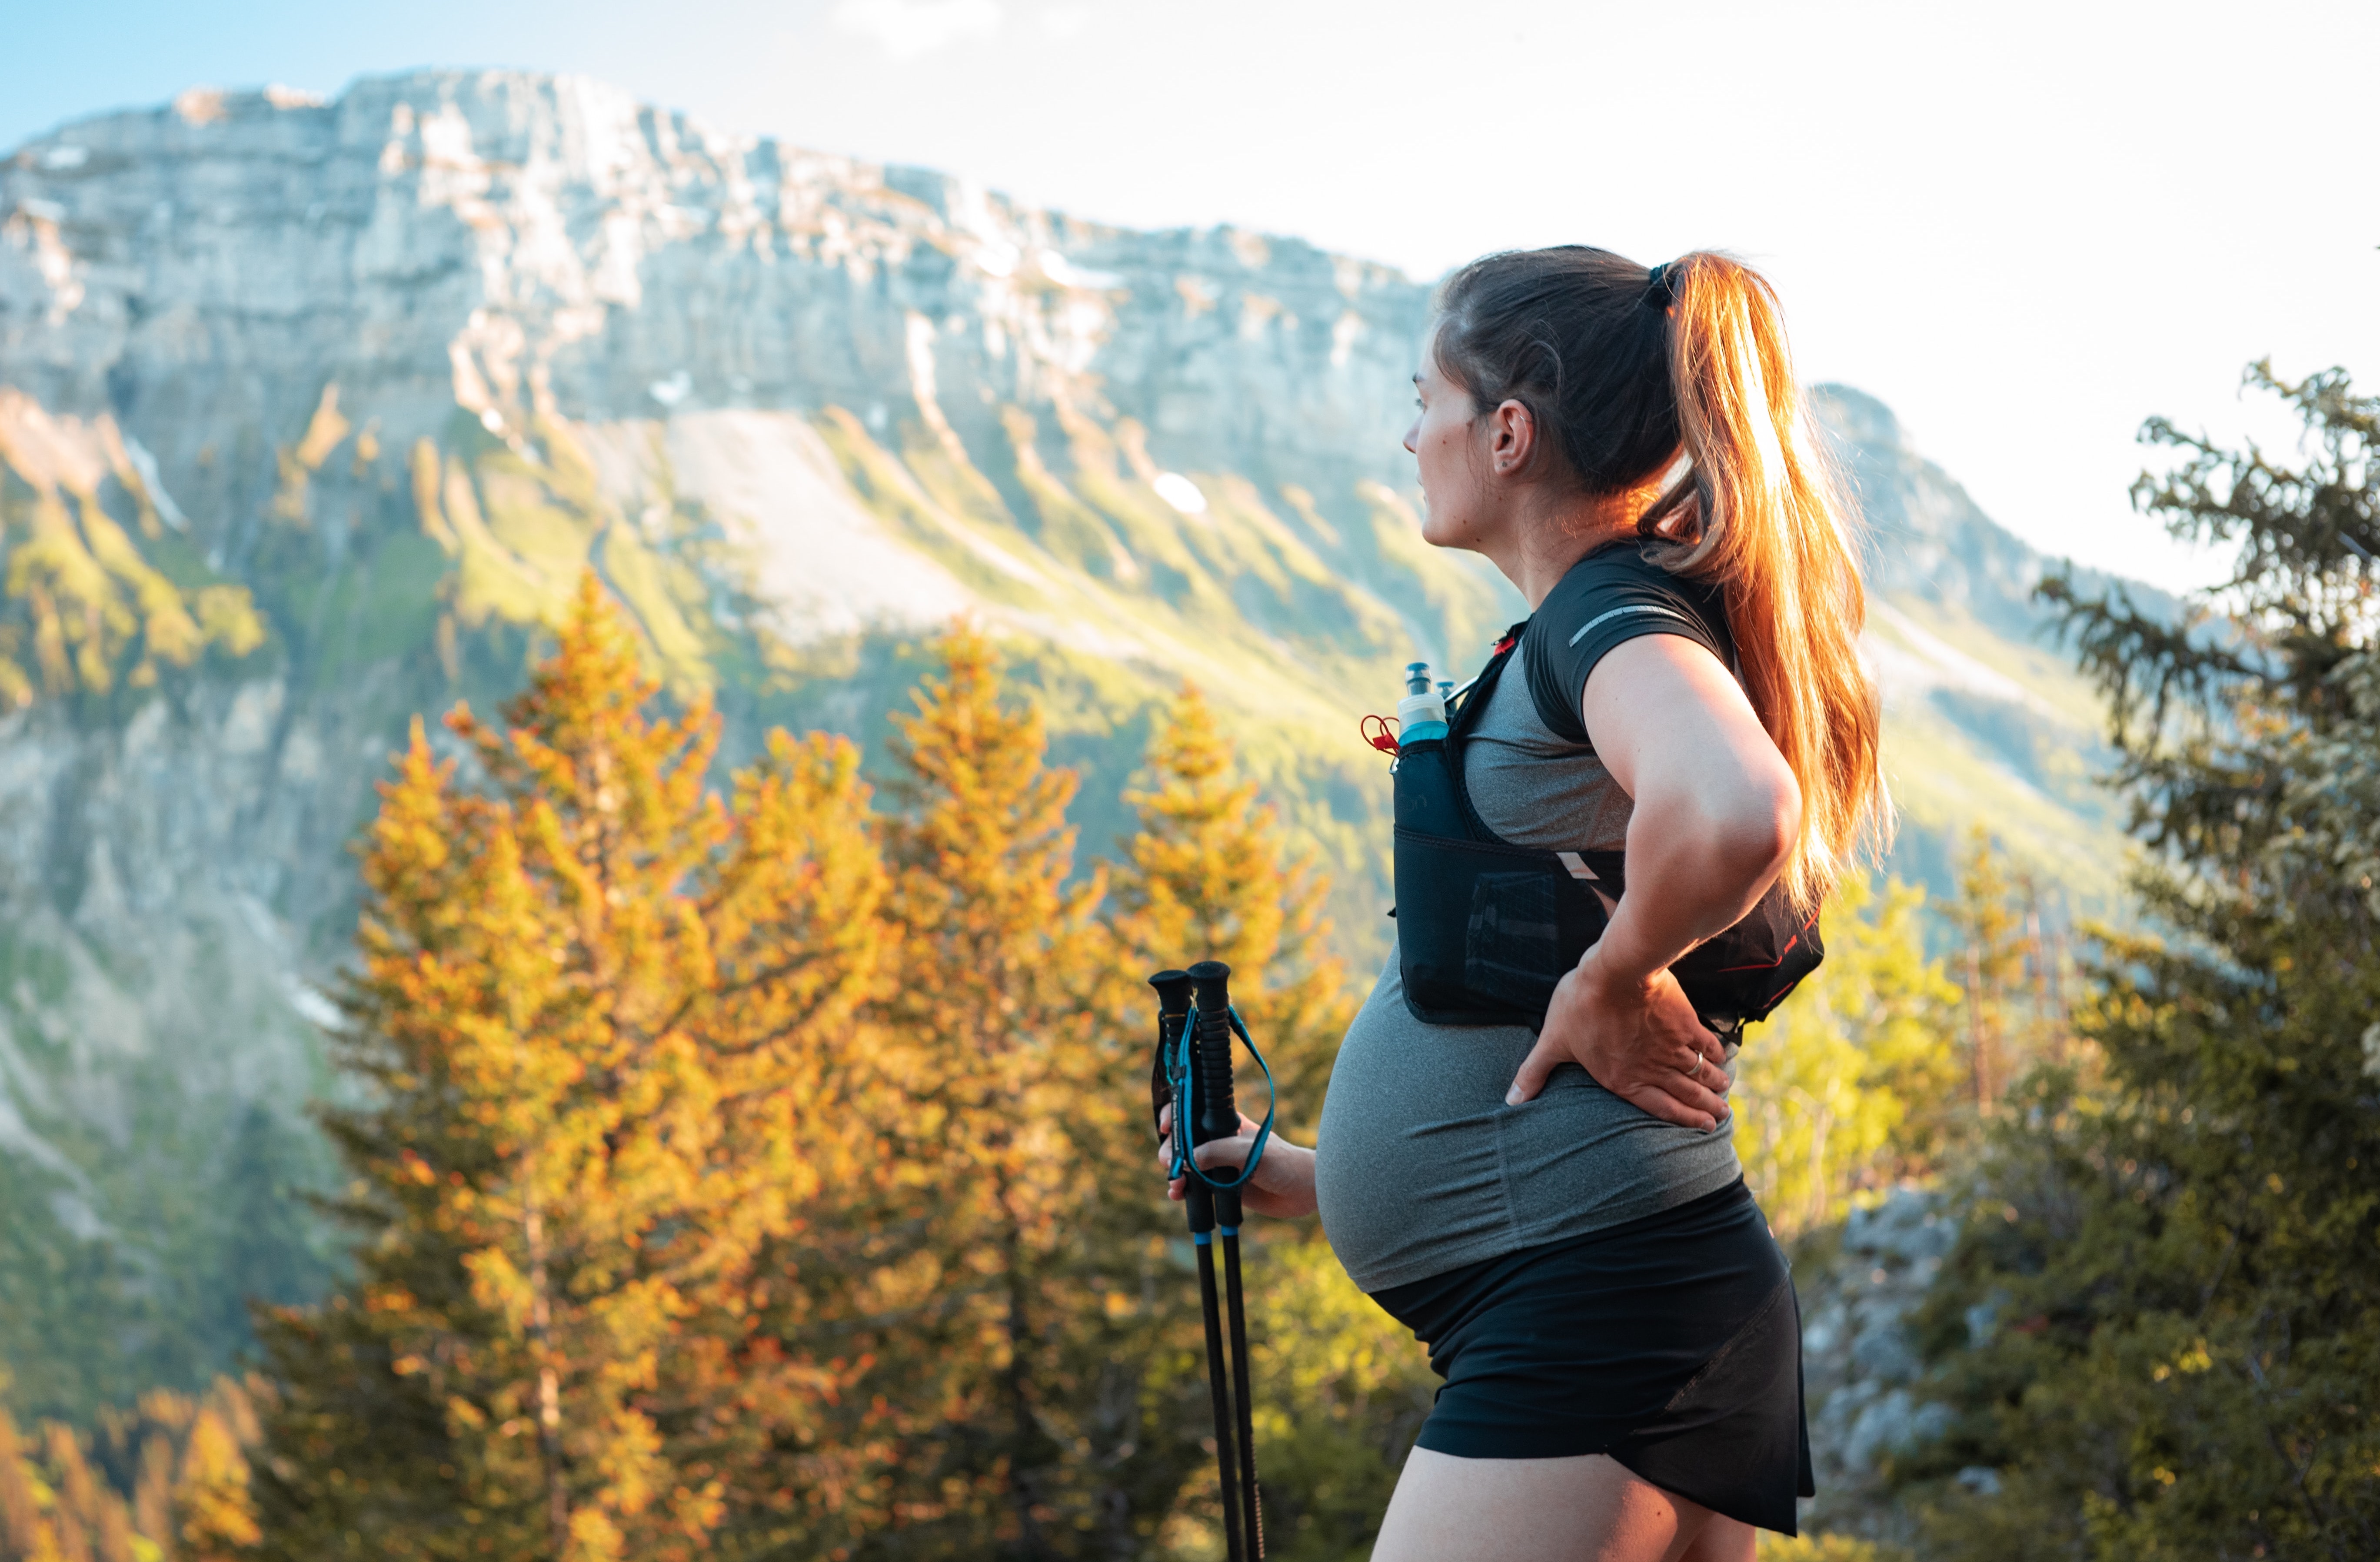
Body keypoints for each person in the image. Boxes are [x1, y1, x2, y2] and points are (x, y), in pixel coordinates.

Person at [1158, 246, 1886, 1560]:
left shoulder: (1607, 613)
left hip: (1592, 1313)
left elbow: (1734, 807)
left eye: (1422, 393)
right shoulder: (1589, 619)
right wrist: (1329, 1183)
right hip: (1620, 1289)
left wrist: (1609, 979)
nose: (1405, 429)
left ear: (1506, 431)